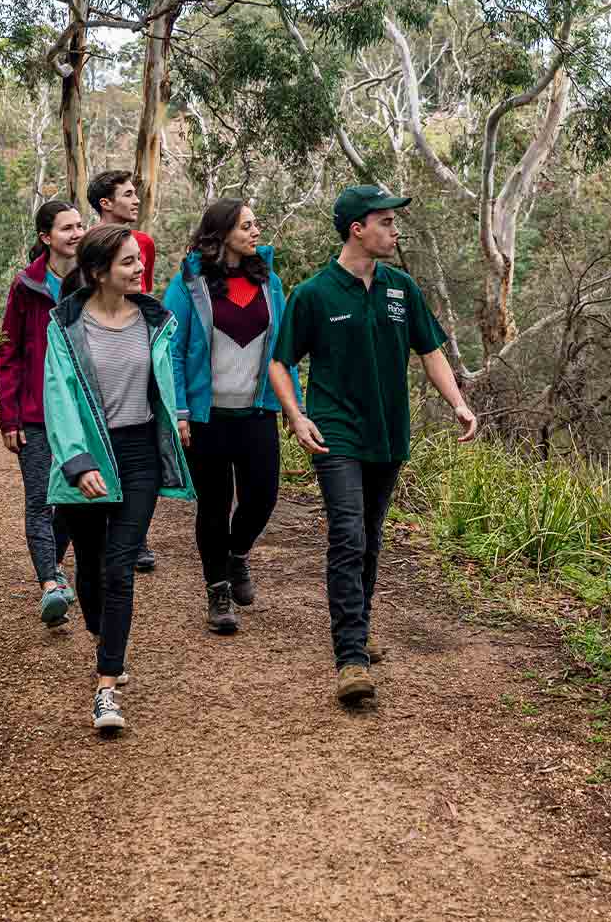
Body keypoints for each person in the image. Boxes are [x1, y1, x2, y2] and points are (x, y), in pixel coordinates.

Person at [269, 186, 478, 705]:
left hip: (389, 434)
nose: (395, 230)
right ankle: (350, 659)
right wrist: (296, 416)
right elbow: (280, 362)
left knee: (370, 535)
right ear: (356, 228)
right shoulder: (314, 294)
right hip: (336, 432)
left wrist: (457, 403)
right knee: (347, 533)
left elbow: (429, 351)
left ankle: (356, 628)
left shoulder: (401, 288)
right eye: (385, 222)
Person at [43, 224, 195, 734]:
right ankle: (103, 635)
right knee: (88, 568)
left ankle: (106, 687)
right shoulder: (66, 327)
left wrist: (176, 419)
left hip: (138, 455)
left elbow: (160, 385)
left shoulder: (153, 320)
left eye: (138, 259)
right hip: (87, 454)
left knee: (119, 567)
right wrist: (77, 461)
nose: (140, 268)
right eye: (128, 262)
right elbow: (58, 397)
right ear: (98, 272)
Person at [161, 199, 295, 635]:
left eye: (256, 224)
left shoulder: (270, 282)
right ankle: (217, 588)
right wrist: (180, 411)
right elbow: (173, 352)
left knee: (262, 497)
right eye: (246, 226)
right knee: (214, 506)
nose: (256, 232)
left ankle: (237, 556)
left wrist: (295, 408)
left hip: (257, 412)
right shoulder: (189, 285)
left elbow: (283, 351)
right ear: (221, 235)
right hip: (206, 417)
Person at [0, 199, 88, 626]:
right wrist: (9, 416)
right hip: (34, 414)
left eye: (80, 225)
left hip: (83, 412)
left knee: (71, 499)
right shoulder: (26, 286)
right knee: (40, 497)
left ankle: (54, 568)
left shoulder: (95, 280)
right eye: (67, 228)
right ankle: (50, 582)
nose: (77, 233)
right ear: (46, 237)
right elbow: (8, 353)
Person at [85, 168, 160, 573]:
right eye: (128, 195)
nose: (135, 201)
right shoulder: (86, 244)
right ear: (105, 203)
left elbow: (143, 291)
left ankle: (135, 533)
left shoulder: (144, 241)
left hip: (134, 336)